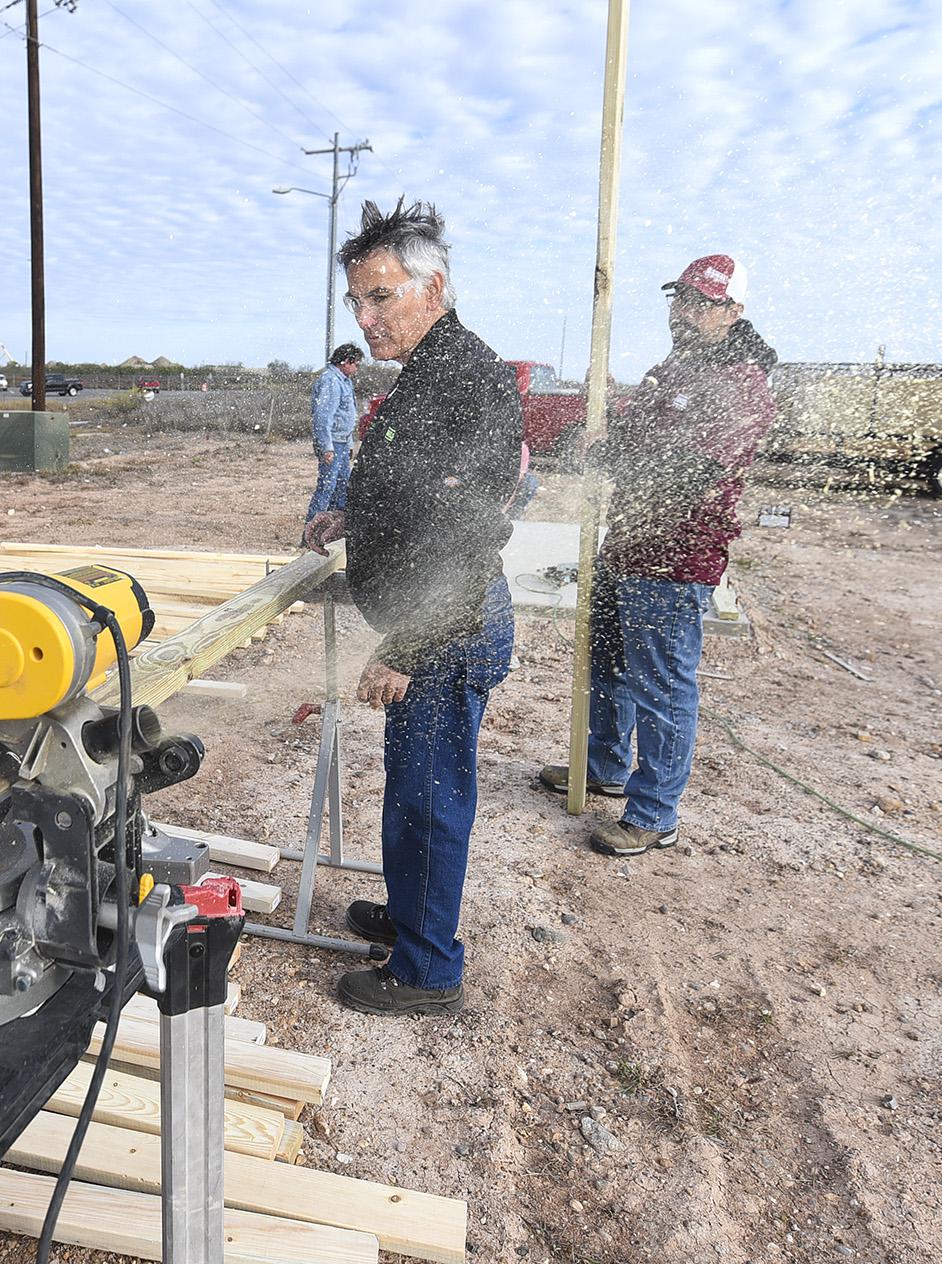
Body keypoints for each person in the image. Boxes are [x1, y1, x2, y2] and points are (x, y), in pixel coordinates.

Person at [303, 199, 522, 1015]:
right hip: (433, 624)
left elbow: (467, 535)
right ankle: (408, 917)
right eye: (355, 302)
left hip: (447, 629)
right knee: (410, 787)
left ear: (434, 289)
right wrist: (352, 516)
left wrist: (407, 648)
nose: (365, 317)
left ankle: (428, 971)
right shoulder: (430, 373)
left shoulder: (466, 378)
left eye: (380, 298)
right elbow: (417, 494)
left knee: (429, 801)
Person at [537, 254, 777, 856]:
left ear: (733, 312)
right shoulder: (675, 369)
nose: (686, 311)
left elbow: (691, 470)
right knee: (609, 668)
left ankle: (654, 813)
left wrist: (610, 458)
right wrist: (605, 440)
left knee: (663, 686)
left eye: (702, 302)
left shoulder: (740, 385)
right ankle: (606, 768)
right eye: (681, 299)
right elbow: (636, 436)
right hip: (627, 544)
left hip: (675, 559)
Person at [306, 342, 363, 520]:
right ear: (346, 362)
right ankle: (312, 534)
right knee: (327, 488)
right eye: (356, 364)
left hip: (341, 442)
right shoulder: (331, 381)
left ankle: (330, 533)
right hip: (333, 443)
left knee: (341, 488)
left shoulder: (344, 382)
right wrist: (327, 447)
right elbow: (323, 417)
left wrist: (348, 443)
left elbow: (345, 415)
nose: (357, 368)